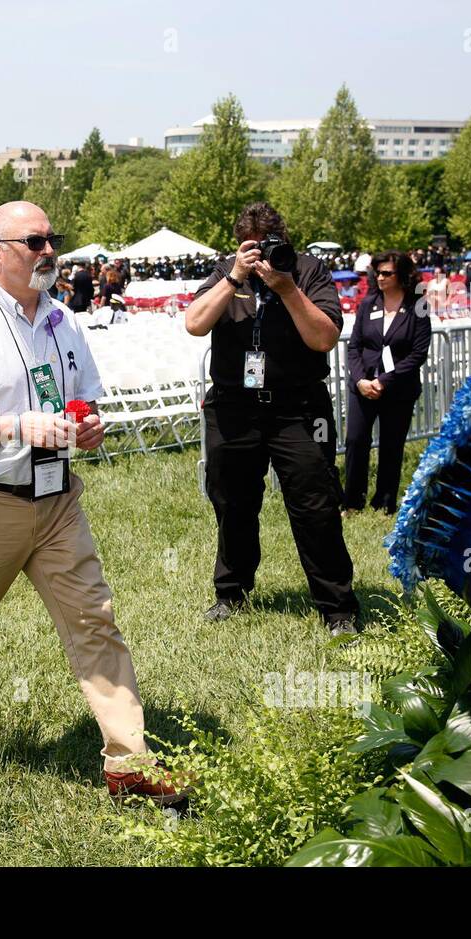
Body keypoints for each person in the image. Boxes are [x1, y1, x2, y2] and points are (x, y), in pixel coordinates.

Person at [0, 200, 184, 805]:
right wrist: (16, 428)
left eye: (50, 240)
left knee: (94, 621)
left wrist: (89, 428)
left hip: (57, 499)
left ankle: (128, 763)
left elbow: (86, 400)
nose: (48, 252)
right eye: (33, 242)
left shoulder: (63, 320)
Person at [185, 202, 360, 637]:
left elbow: (324, 338)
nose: (262, 254)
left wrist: (286, 289)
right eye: (252, 246)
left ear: (284, 238)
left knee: (315, 504)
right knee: (232, 502)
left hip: (297, 408)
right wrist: (234, 278)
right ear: (239, 244)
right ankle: (231, 593)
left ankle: (338, 609)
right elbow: (194, 324)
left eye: (271, 244)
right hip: (233, 407)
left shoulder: (307, 270)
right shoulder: (227, 271)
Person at [343, 252, 431, 515]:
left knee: (392, 444)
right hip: (362, 386)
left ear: (402, 275)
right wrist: (360, 380)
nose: (380, 277)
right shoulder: (368, 304)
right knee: (356, 440)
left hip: (398, 389)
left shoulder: (418, 306)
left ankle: (385, 501)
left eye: (387, 273)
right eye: (377, 273)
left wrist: (384, 381)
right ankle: (352, 502)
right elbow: (354, 346)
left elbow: (418, 353)